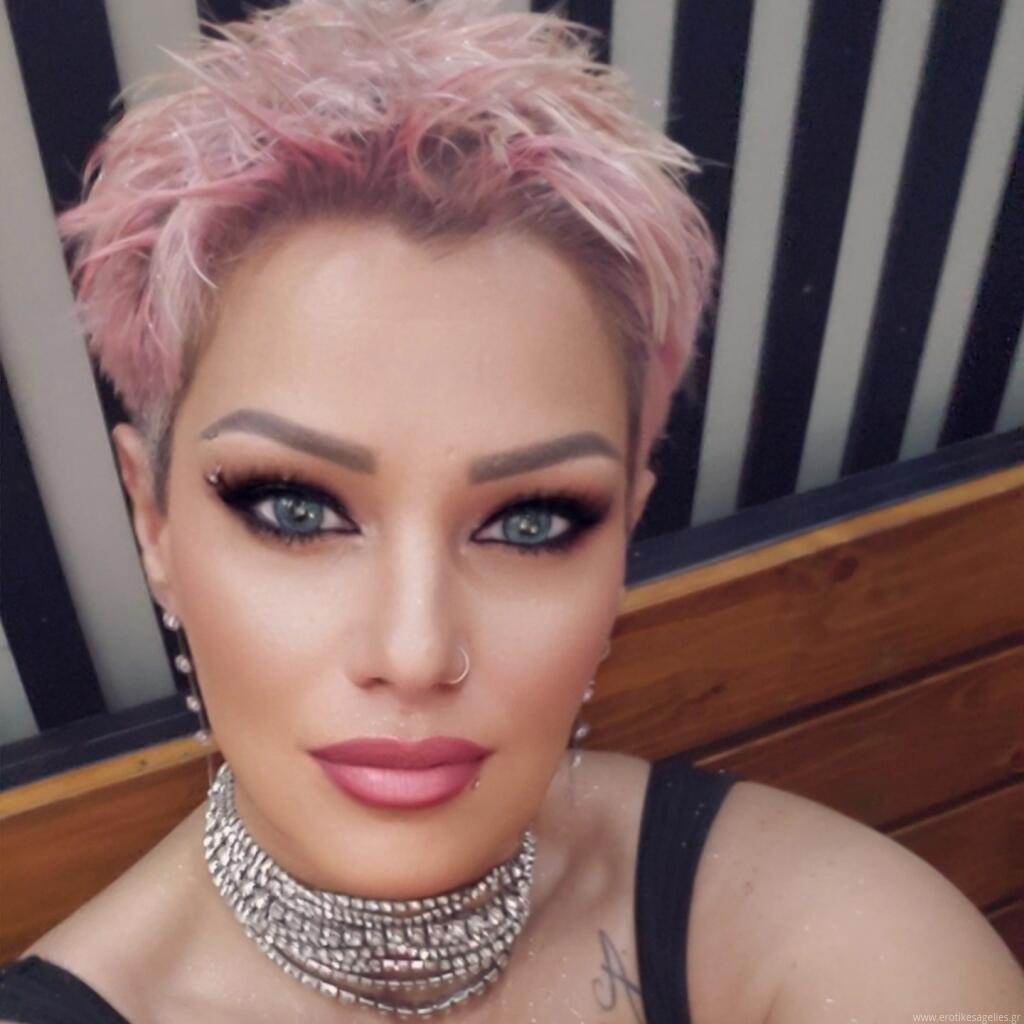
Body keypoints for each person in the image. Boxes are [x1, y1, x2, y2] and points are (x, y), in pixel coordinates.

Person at [1, 1, 1021, 1021]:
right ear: (154, 522)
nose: (414, 652)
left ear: (622, 538)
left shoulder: (802, 918)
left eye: (531, 523)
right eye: (296, 510)